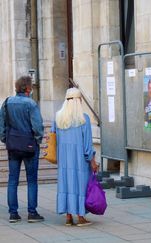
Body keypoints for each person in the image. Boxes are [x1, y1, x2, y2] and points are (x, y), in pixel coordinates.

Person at [0, 76, 45, 223]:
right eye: (30, 87)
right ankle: (32, 213)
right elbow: (37, 126)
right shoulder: (31, 104)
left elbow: (1, 125)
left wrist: (5, 139)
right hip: (30, 145)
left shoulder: (7, 103)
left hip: (13, 145)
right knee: (32, 180)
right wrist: (38, 140)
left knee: (13, 180)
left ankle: (13, 213)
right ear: (27, 88)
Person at [53, 87, 98, 226]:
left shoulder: (58, 118)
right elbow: (87, 146)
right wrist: (92, 161)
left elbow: (54, 138)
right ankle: (81, 217)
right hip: (79, 161)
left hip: (64, 160)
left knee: (66, 185)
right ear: (78, 101)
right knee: (80, 186)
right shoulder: (83, 119)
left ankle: (68, 217)